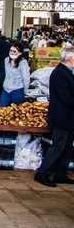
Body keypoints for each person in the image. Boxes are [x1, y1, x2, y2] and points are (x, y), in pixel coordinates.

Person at [35, 47, 74, 187]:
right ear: (71, 59)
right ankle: (42, 174)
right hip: (61, 117)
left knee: (67, 148)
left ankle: (60, 174)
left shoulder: (67, 73)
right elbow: (66, 97)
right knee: (58, 147)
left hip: (68, 118)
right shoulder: (60, 74)